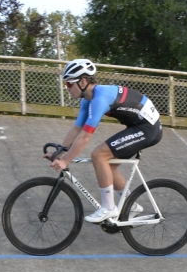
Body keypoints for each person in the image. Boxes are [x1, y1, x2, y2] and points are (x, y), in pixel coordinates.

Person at [48, 59, 163, 223]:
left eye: (69, 83)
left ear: (83, 82)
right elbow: (77, 128)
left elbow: (85, 137)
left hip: (148, 128)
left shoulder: (99, 99)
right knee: (107, 165)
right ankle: (131, 205)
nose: (67, 88)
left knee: (99, 155)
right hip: (138, 125)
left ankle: (109, 208)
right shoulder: (87, 100)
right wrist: (60, 151)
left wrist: (66, 161)